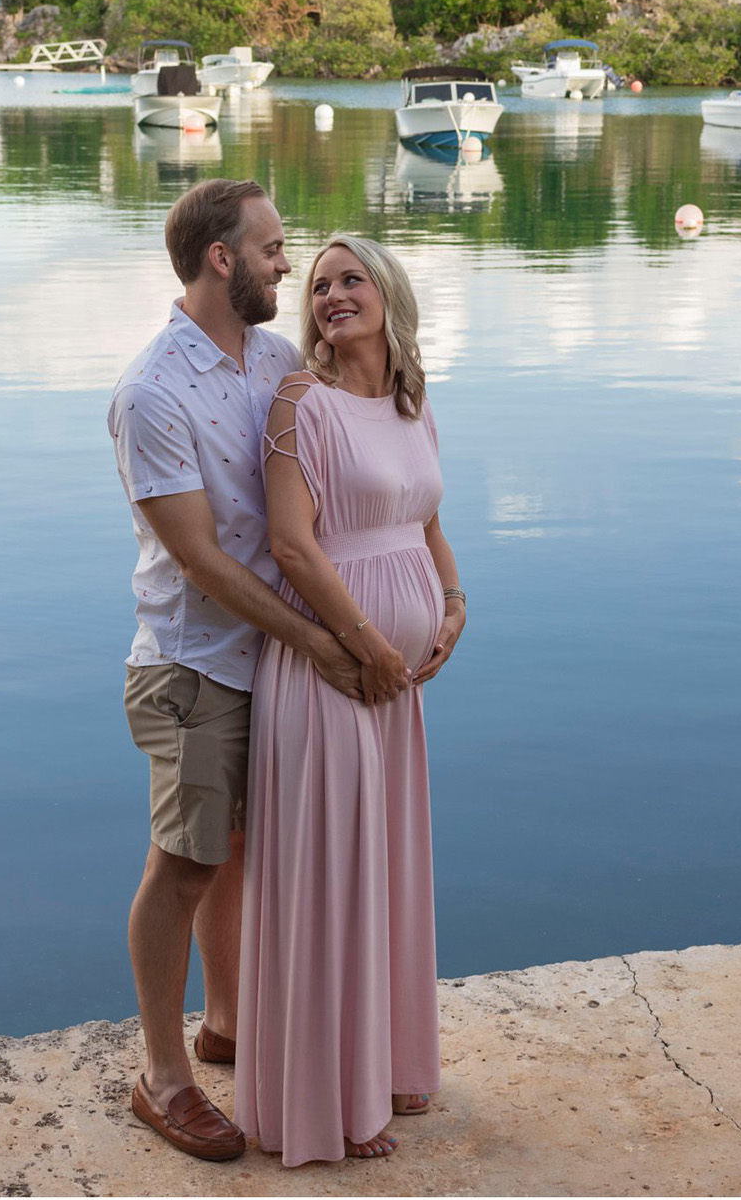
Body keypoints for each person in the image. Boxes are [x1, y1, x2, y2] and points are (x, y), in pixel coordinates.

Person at [106, 180, 364, 1163]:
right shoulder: (150, 391)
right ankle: (163, 1076)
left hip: (270, 659)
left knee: (237, 846)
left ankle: (225, 1021)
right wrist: (323, 643)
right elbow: (202, 561)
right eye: (269, 248)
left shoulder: (274, 356)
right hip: (193, 665)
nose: (284, 265)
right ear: (220, 257)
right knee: (182, 860)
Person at [236, 234, 466, 1166]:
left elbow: (427, 521)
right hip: (331, 670)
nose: (331, 294)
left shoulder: (411, 402)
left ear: (388, 293)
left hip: (395, 684)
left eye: (350, 279)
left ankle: (391, 1066)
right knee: (332, 879)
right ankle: (328, 1101)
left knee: (386, 872)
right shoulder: (302, 402)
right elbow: (293, 546)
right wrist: (368, 644)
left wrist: (451, 604)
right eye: (320, 283)